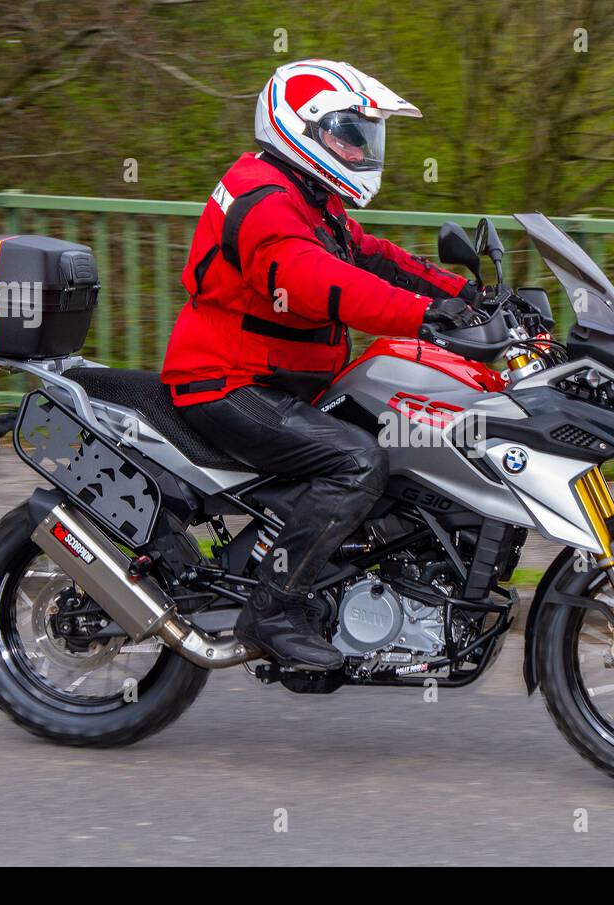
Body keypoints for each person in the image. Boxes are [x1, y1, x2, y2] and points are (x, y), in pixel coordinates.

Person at [161, 59, 478, 671]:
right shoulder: (264, 201)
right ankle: (274, 608)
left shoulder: (308, 197)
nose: (359, 150)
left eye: (364, 137)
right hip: (226, 385)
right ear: (296, 127)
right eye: (346, 134)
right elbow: (318, 281)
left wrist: (465, 296)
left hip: (285, 382)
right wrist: (422, 317)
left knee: (411, 436)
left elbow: (371, 256)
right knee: (357, 462)